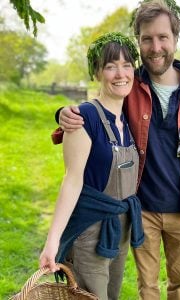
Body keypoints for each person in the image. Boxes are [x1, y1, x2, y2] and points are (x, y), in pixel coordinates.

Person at [55, 0, 180, 299]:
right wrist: (62, 115)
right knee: (147, 286)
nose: (155, 46)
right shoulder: (130, 85)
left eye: (162, 37)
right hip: (142, 208)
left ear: (175, 39)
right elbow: (96, 115)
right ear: (139, 42)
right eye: (147, 39)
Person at [40, 32, 144, 300]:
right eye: (110, 66)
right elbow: (71, 181)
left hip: (120, 229)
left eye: (126, 65)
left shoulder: (128, 119)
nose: (120, 73)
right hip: (90, 232)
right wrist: (52, 241)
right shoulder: (84, 118)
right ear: (97, 72)